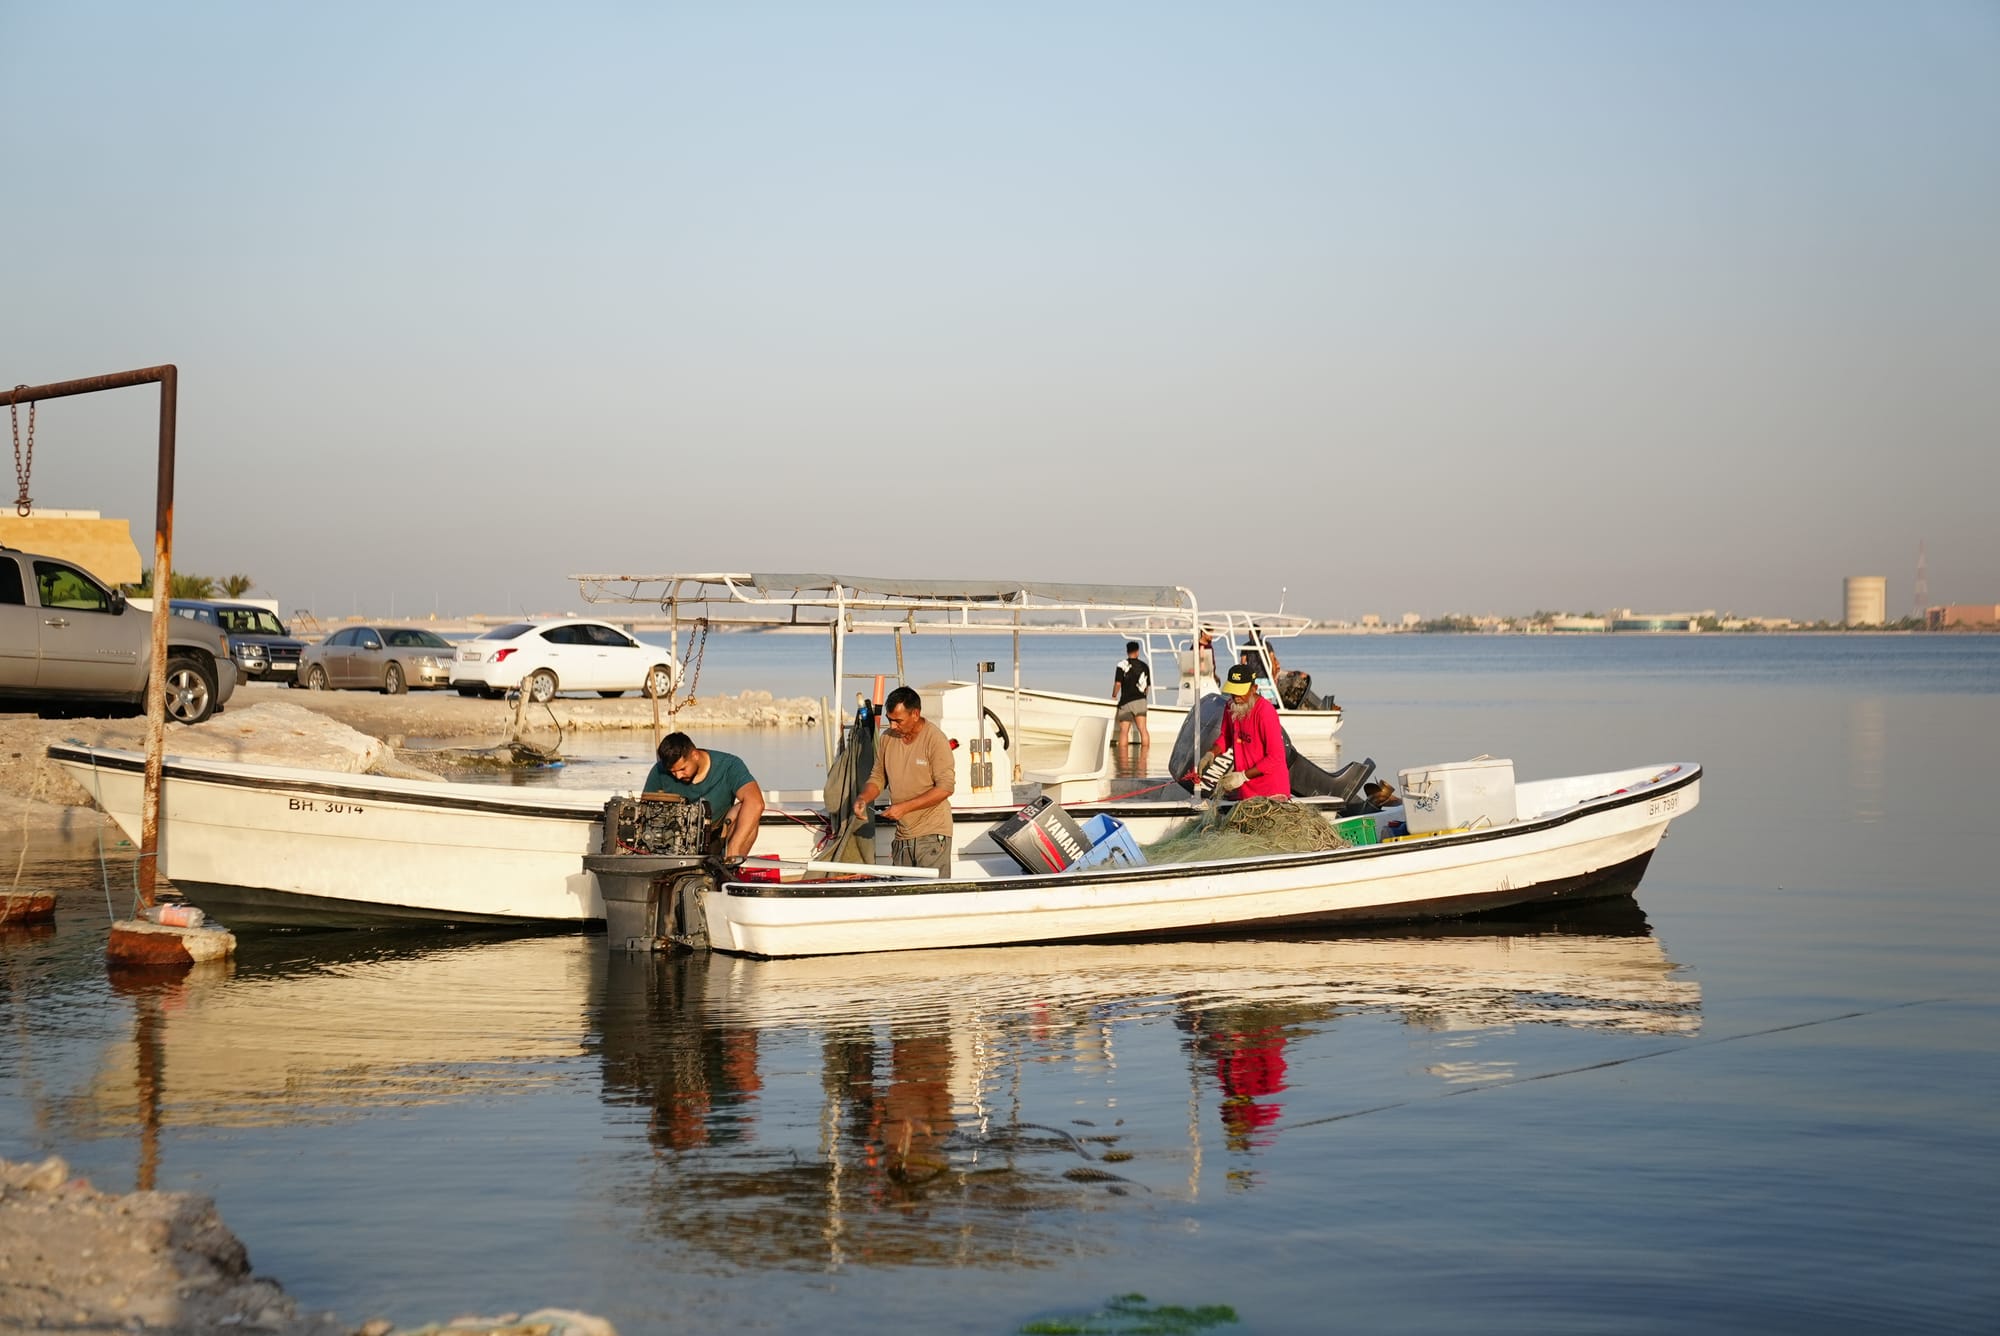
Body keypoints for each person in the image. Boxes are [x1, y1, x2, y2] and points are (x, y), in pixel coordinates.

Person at [852, 685, 955, 871]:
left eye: (898, 721)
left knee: (931, 895)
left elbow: (945, 788)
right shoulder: (887, 738)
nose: (892, 726)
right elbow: (877, 777)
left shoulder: (935, 739)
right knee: (902, 894)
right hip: (902, 836)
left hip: (932, 834)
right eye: (889, 720)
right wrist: (863, 798)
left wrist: (904, 808)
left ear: (915, 714)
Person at [643, 731, 766, 859]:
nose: (678, 776)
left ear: (695, 755)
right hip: (674, 841)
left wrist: (734, 847)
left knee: (746, 809)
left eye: (682, 769)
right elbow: (644, 810)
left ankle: (730, 866)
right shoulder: (659, 771)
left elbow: (756, 803)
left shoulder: (730, 765)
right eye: (672, 772)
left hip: (716, 837)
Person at [1191, 664, 1293, 801]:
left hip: (1271, 791)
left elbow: (1275, 757)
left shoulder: (1265, 712)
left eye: (1241, 692)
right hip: (1247, 792)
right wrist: (1211, 753)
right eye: (1233, 691)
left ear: (1254, 689)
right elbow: (1226, 736)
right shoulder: (1231, 706)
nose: (1236, 697)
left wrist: (1242, 776)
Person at [1111, 641, 1151, 749]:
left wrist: (1114, 695)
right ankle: (1144, 759)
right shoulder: (1145, 666)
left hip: (1126, 701)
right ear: (1138, 651)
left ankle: (1123, 761)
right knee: (1143, 730)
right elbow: (1147, 687)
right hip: (1141, 701)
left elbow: (1118, 683)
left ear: (1127, 651)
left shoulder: (1121, 665)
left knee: (1124, 732)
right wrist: (1143, 697)